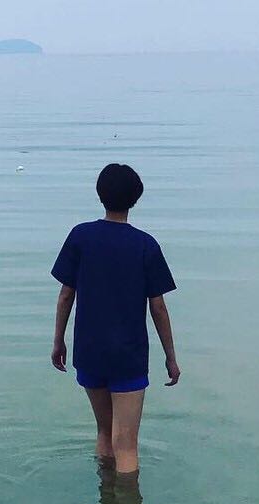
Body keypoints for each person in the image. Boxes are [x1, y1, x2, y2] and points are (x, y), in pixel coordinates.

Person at [51, 163, 179, 475]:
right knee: (127, 444)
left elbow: (66, 295)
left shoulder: (81, 237)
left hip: (89, 350)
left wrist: (58, 341)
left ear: (100, 194)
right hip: (129, 354)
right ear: (136, 198)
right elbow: (158, 308)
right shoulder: (145, 245)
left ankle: (105, 501)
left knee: (104, 433)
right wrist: (171, 357)